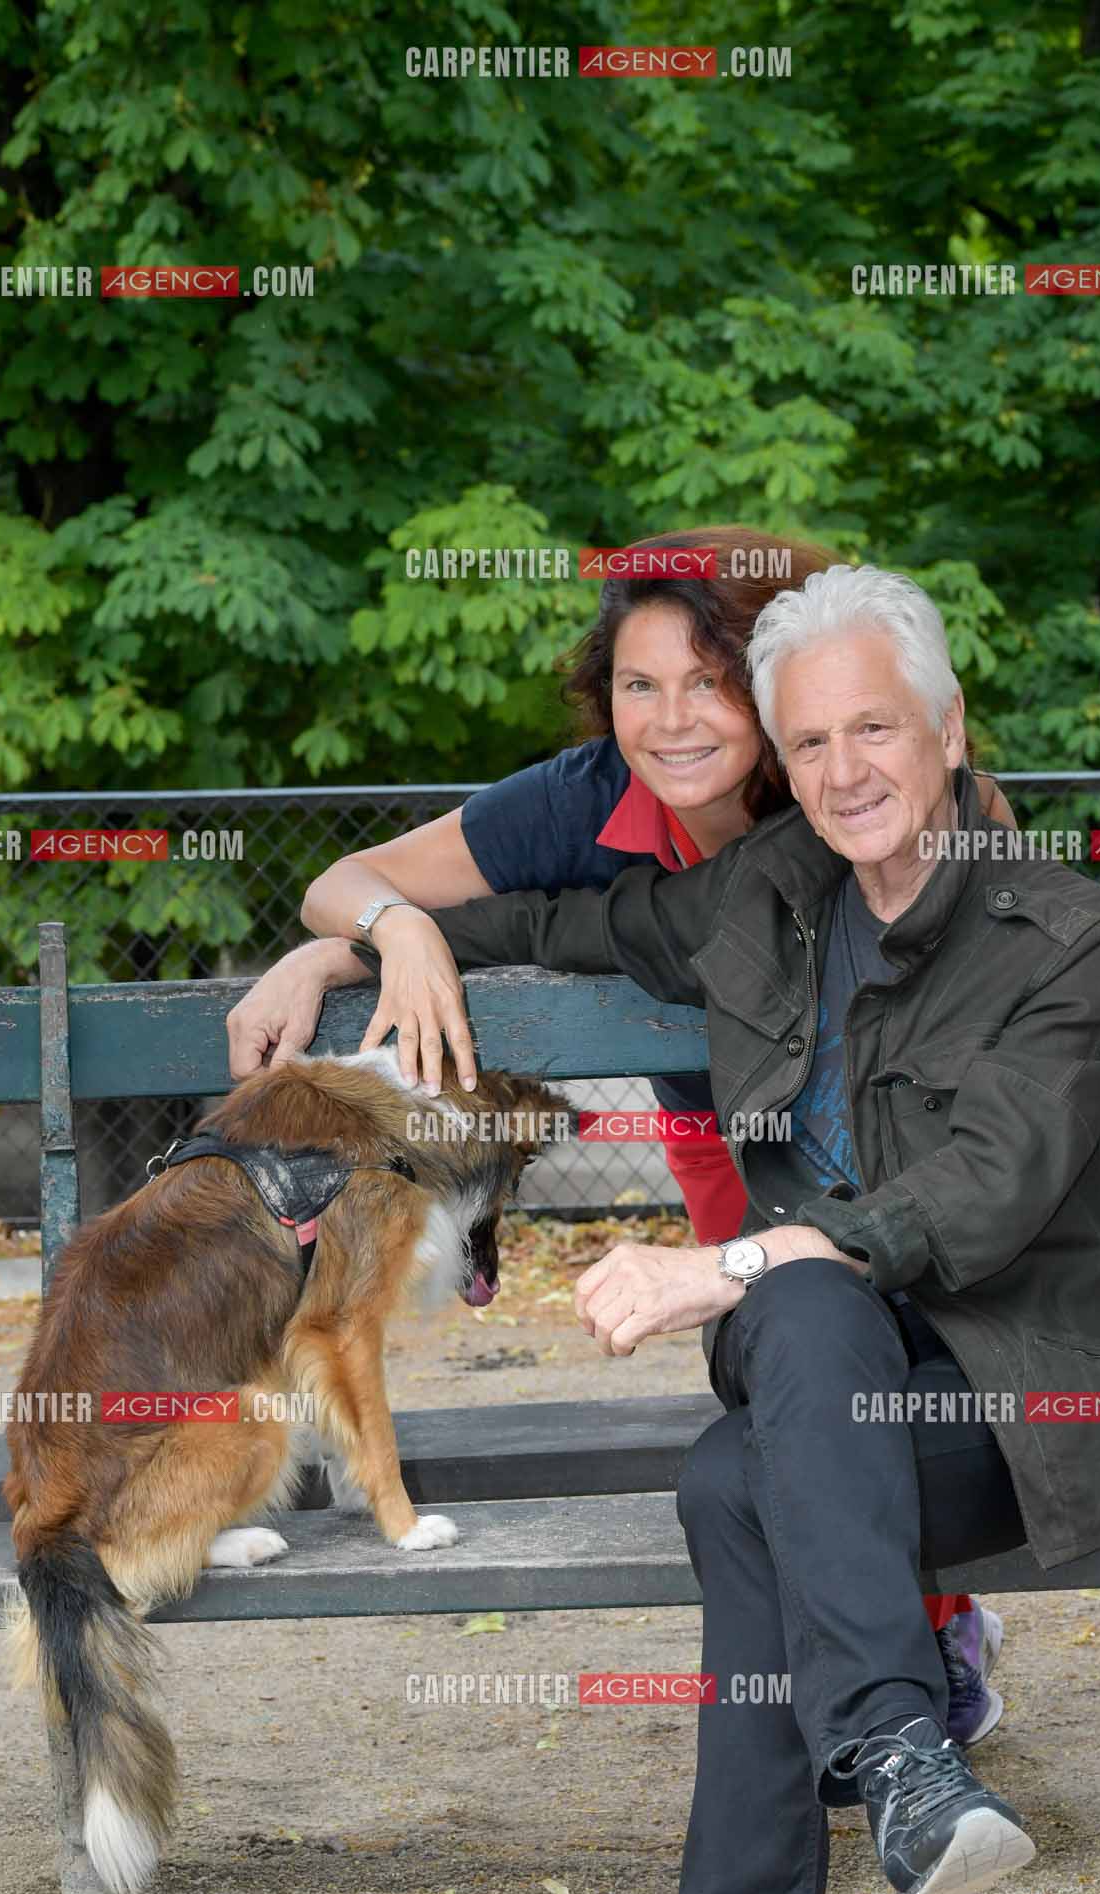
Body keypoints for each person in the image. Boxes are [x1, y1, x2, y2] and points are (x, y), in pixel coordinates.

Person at [344, 564, 1100, 1894]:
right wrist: (366, 939)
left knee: (739, 1474)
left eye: (878, 728)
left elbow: (978, 1196)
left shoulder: (1072, 935)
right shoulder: (763, 894)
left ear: (946, 728)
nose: (848, 769)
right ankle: (901, 1764)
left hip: (1008, 1415)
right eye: (813, 740)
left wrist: (721, 1260)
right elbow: (525, 914)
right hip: (821, 1393)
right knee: (792, 1342)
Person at [226, 528, 1008, 1740]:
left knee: (902, 1346)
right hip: (726, 1122)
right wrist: (382, 934)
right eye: (640, 684)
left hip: (888, 1123)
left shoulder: (852, 777)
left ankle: (933, 1631)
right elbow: (352, 879)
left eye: (708, 681)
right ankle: (876, 1668)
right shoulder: (587, 793)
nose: (672, 719)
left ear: (771, 687)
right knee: (794, 1361)